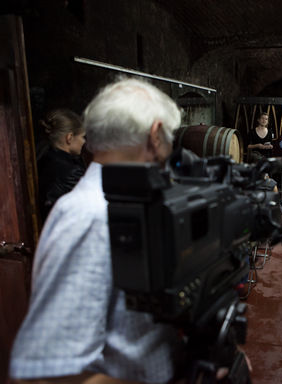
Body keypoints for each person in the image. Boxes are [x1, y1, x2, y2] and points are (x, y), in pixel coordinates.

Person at [10, 78, 184, 383]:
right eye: (171, 137)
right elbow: (50, 375)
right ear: (156, 136)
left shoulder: (121, 205)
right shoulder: (92, 216)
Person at [36, 108, 86, 221]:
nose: (84, 142)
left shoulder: (42, 159)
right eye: (82, 137)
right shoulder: (71, 171)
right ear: (69, 137)